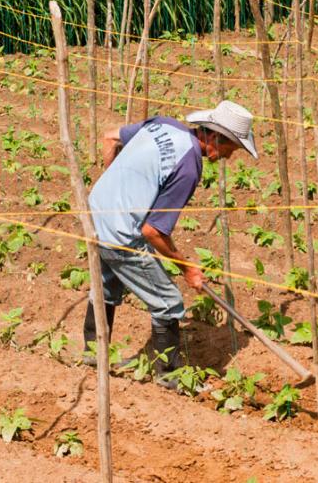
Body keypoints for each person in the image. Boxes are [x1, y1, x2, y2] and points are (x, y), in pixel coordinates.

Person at [82, 100, 258, 388]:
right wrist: (187, 267)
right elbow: (153, 231)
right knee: (168, 302)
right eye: (232, 148)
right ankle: (170, 376)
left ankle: (93, 355)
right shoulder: (189, 166)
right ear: (215, 137)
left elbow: (110, 137)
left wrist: (114, 185)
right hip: (121, 234)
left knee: (106, 286)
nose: (228, 156)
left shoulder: (164, 124)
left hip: (95, 213)